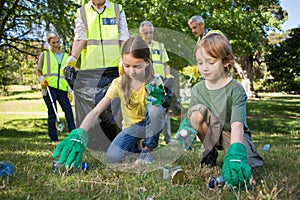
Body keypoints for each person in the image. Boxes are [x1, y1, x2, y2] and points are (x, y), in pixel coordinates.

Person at [53, 37, 169, 167]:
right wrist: (79, 132)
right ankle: (137, 148)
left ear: (147, 62)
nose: (131, 71)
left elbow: (158, 112)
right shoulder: (118, 83)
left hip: (149, 125)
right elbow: (97, 111)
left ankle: (148, 150)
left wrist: (157, 99)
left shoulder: (154, 81)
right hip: (130, 128)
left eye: (137, 66)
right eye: (127, 66)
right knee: (112, 157)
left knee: (155, 109)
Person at [175, 33, 263, 189]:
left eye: (211, 62)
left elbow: (237, 125)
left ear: (226, 62)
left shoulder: (235, 89)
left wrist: (236, 153)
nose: (204, 68)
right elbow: (193, 116)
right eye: (200, 62)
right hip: (212, 131)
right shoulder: (197, 89)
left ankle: (237, 153)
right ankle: (209, 152)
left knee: (246, 165)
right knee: (196, 111)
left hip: (231, 133)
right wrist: (186, 128)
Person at [65, 0, 130, 148]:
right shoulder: (82, 12)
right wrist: (72, 58)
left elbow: (124, 38)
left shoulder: (116, 9)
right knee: (94, 108)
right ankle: (95, 144)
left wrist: (124, 60)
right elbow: (80, 37)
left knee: (114, 108)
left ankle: (118, 143)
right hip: (90, 70)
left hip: (114, 68)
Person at [37, 32, 76, 142]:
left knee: (69, 111)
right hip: (49, 88)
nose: (56, 44)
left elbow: (69, 74)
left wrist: (69, 89)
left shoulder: (65, 57)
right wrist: (42, 80)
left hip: (62, 89)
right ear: (49, 43)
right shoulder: (44, 55)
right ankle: (54, 138)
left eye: (57, 42)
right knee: (52, 113)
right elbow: (39, 71)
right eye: (53, 42)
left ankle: (73, 136)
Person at [139, 21, 173, 144]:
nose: (148, 35)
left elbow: (165, 64)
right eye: (145, 33)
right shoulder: (139, 47)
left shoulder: (160, 45)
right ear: (140, 33)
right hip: (145, 82)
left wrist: (168, 75)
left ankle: (168, 139)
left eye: (150, 32)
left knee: (164, 109)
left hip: (160, 82)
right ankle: (146, 139)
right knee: (146, 109)